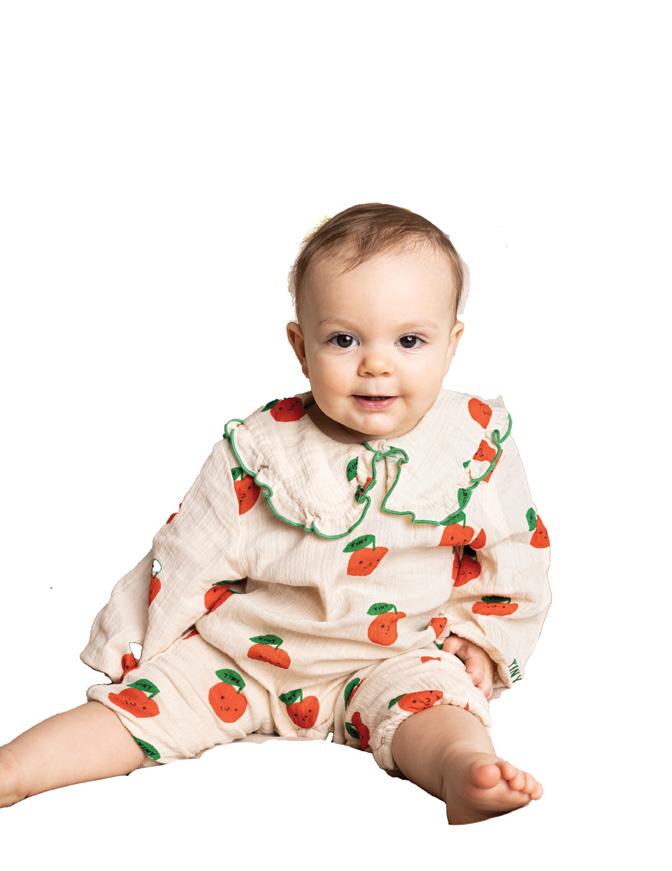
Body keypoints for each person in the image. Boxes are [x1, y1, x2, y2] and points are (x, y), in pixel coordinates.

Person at [0, 203, 552, 825]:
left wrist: (483, 637)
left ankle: (461, 770)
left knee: (440, 705)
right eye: (343, 340)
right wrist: (141, 650)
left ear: (451, 345)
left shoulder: (472, 442)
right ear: (300, 346)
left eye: (409, 341)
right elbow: (187, 552)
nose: (375, 364)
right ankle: (17, 769)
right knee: (142, 708)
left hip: (396, 655)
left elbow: (515, 552)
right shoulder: (263, 449)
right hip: (246, 656)